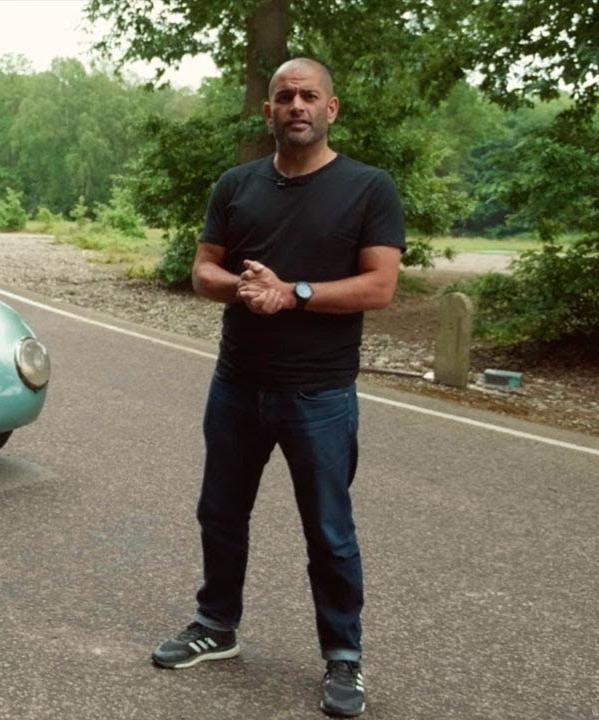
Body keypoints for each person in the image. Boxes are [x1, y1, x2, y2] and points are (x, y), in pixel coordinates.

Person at [150, 58, 405, 719]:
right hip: (236, 386)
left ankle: (343, 659)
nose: (296, 105)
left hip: (318, 395)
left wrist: (293, 294)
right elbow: (202, 270)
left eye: (308, 96)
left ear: (331, 109)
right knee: (220, 513)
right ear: (268, 112)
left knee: (329, 529)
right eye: (284, 96)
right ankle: (215, 626)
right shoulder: (237, 186)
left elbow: (379, 286)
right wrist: (244, 287)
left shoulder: (368, 188)